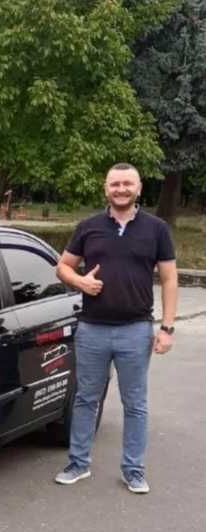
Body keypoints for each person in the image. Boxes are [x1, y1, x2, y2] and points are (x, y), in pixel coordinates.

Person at [54, 163, 178, 494]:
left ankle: (134, 470)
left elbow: (169, 279)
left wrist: (167, 328)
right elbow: (63, 267)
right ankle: (78, 463)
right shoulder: (88, 227)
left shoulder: (157, 229)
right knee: (86, 399)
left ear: (139, 188)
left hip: (136, 330)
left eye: (127, 184)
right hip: (92, 329)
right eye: (114, 184)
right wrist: (80, 281)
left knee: (135, 403)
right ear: (106, 188)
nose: (120, 189)